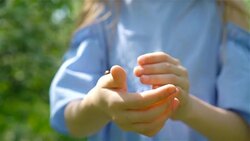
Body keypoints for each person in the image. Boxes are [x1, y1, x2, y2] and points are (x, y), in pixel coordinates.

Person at [49, 0, 250, 140]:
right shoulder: (105, 12)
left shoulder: (225, 15)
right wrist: (99, 105)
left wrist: (187, 108)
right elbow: (73, 121)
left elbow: (242, 133)